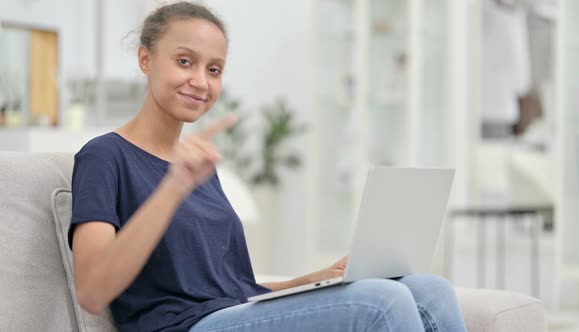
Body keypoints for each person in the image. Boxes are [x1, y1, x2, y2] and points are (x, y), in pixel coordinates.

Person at [68, 2, 468, 331]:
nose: (200, 81)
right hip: (182, 328)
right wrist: (173, 188)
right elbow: (91, 290)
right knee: (385, 301)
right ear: (146, 60)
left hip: (228, 315)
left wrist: (307, 282)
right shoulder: (105, 156)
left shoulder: (195, 165)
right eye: (185, 61)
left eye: (214, 69)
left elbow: (231, 288)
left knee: (431, 289)